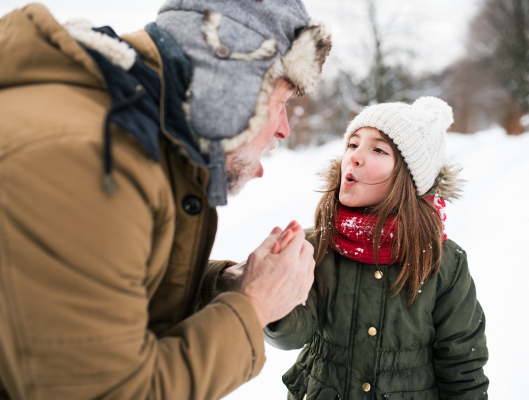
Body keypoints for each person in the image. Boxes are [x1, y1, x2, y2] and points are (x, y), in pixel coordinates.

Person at [0, 1, 331, 399]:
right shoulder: (89, 157)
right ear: (232, 78)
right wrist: (253, 305)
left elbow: (123, 295)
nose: (284, 130)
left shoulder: (134, 131)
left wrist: (226, 285)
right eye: (281, 102)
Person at [264, 98, 490, 400]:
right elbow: (295, 331)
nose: (354, 157)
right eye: (353, 144)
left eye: (378, 149)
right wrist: (273, 297)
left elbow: (462, 367)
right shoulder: (316, 246)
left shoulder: (444, 263)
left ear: (409, 177)